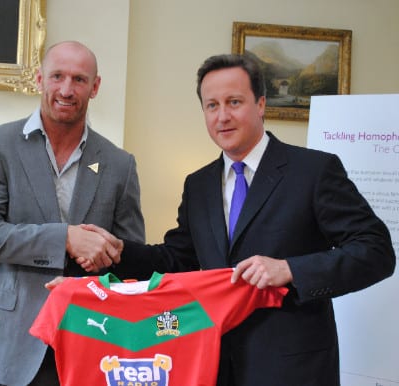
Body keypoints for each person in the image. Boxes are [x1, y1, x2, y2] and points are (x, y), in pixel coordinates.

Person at [84, 54, 396, 385]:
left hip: (293, 371)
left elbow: (376, 251)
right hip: (215, 366)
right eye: (212, 105)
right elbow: (178, 259)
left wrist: (289, 269)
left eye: (234, 102)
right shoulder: (198, 184)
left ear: (261, 104)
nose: (223, 117)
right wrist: (119, 250)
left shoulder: (314, 171)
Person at [0, 41, 145, 386]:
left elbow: (131, 258)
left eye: (79, 79)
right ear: (40, 79)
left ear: (95, 87)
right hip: (1, 348)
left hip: (87, 345)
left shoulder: (120, 164)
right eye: (57, 76)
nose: (66, 90)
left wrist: (103, 262)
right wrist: (66, 239)